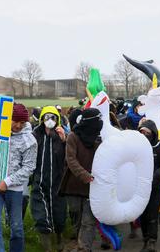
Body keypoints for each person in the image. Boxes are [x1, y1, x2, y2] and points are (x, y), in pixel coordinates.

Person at [0, 103, 38, 252]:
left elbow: (29, 167)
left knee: (16, 226)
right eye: (14, 121)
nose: (18, 125)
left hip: (15, 189)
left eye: (22, 122)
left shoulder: (30, 141)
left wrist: (7, 182)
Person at [59, 108, 103, 252]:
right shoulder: (73, 137)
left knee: (88, 221)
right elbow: (71, 159)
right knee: (76, 216)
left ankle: (84, 247)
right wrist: (84, 175)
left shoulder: (98, 138)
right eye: (98, 119)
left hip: (92, 186)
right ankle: (78, 240)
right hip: (73, 185)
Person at [31, 106, 68, 251]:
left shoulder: (61, 135)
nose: (50, 120)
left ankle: (59, 237)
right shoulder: (35, 135)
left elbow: (68, 159)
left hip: (57, 182)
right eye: (47, 117)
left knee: (58, 213)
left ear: (57, 119)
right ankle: (47, 248)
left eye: (53, 117)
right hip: (39, 181)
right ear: (42, 119)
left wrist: (64, 140)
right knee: (40, 214)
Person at [138, 120, 160, 252]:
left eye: (147, 133)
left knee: (152, 214)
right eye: (141, 132)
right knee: (142, 214)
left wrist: (157, 174)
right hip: (140, 187)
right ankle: (145, 239)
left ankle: (152, 241)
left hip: (155, 186)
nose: (144, 135)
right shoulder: (137, 146)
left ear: (153, 133)